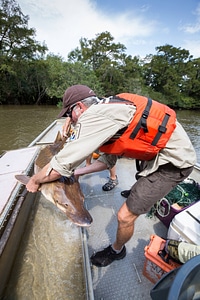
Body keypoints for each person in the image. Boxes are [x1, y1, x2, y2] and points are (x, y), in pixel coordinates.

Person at [26, 84, 196, 267]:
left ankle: (117, 251)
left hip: (173, 164)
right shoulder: (110, 107)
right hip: (159, 154)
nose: (70, 119)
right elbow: (108, 161)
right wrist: (78, 172)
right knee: (135, 192)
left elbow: (60, 165)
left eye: (69, 114)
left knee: (124, 216)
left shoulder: (94, 116)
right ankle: (140, 192)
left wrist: (35, 180)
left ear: (79, 107)